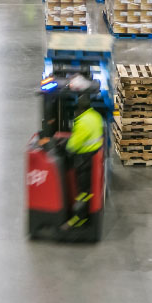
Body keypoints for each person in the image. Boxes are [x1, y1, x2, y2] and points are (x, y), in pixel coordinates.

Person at [63, 76, 104, 230]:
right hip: (92, 156)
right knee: (85, 190)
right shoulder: (95, 116)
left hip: (84, 160)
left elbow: (72, 145)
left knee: (82, 191)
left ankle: (79, 218)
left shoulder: (83, 123)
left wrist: (65, 147)